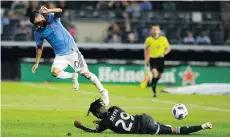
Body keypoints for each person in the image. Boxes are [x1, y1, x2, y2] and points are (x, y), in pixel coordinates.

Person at [29, 6, 109, 106]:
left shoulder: (51, 18)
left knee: (86, 74)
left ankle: (103, 91)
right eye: (36, 24)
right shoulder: (38, 32)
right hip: (60, 56)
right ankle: (72, 76)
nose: (38, 25)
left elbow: (59, 10)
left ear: (42, 16)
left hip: (72, 52)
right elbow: (39, 47)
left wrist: (49, 10)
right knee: (54, 72)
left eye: (38, 22)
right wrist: (37, 63)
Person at [74, 98, 212, 134]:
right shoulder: (115, 108)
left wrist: (82, 127)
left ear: (97, 114)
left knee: (176, 131)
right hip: (145, 118)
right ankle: (202, 125)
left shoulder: (105, 123)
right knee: (169, 128)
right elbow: (113, 118)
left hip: (146, 127)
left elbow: (95, 131)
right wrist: (101, 121)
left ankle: (204, 126)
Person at [144, 25, 171, 97]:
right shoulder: (149, 39)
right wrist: (146, 58)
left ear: (159, 31)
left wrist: (164, 53)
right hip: (152, 59)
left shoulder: (163, 39)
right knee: (154, 73)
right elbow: (146, 50)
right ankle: (154, 91)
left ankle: (153, 84)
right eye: (153, 29)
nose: (155, 31)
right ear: (151, 31)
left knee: (159, 76)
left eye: (156, 29)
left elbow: (168, 48)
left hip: (161, 59)